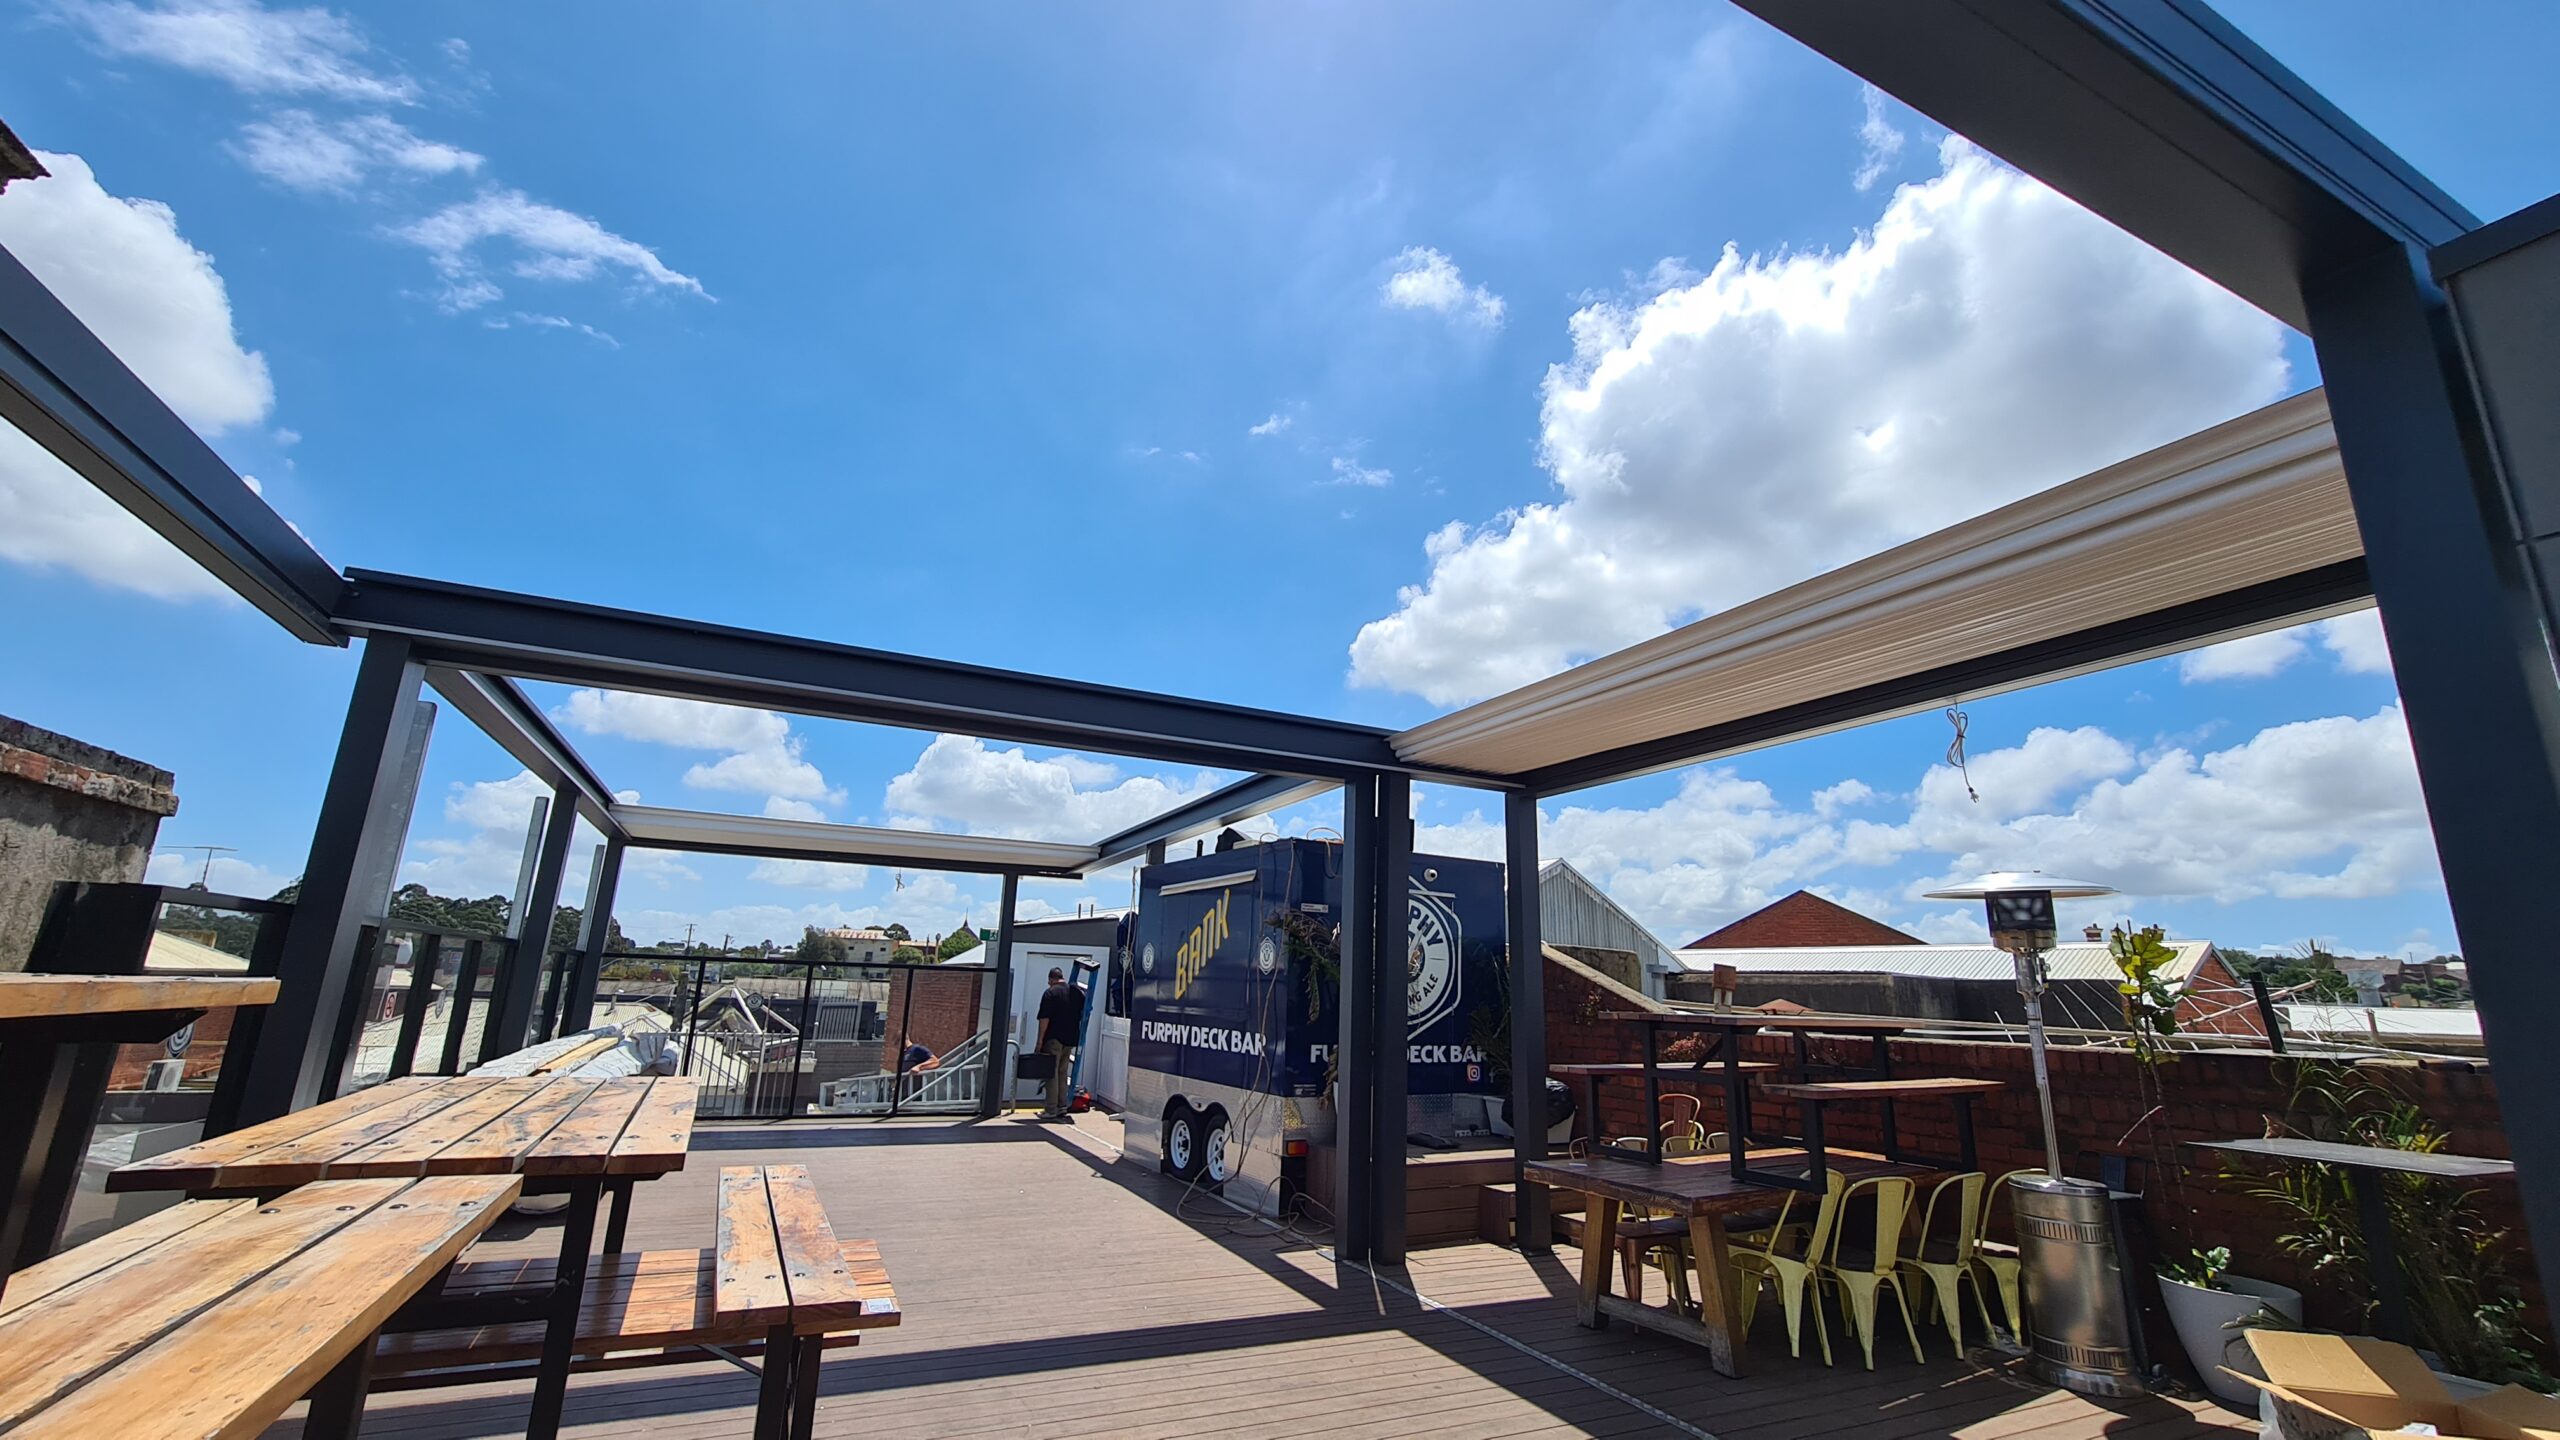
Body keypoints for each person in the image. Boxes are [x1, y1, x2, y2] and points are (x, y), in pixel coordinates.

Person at [1034, 967, 1085, 1120]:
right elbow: (1084, 1012)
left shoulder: (1050, 993)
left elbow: (1044, 1019)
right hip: (1070, 1038)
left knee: (1051, 1073)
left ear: (1051, 979)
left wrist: (1040, 1041)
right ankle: (1062, 1106)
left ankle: (1051, 1109)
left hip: (1053, 1038)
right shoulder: (1076, 993)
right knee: (1062, 1073)